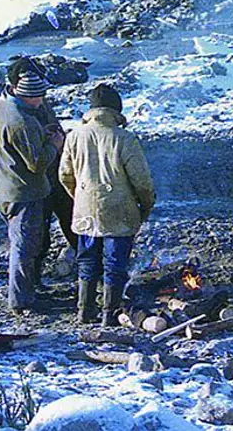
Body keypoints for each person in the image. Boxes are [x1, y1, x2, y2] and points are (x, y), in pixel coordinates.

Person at [59, 83, 156, 326]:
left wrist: (79, 199)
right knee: (115, 263)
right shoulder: (124, 138)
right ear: (116, 111)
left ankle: (84, 311)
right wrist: (144, 207)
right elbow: (142, 181)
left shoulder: (74, 136)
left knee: (87, 261)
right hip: (118, 212)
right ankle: (109, 314)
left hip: (85, 211)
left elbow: (64, 175)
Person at [0, 63, 62, 314]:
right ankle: (21, 301)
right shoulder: (22, 122)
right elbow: (37, 164)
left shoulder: (2, 108)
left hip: (5, 188)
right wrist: (54, 144)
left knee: (23, 244)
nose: (41, 102)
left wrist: (41, 133)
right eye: (37, 97)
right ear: (27, 96)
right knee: (24, 248)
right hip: (25, 192)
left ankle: (28, 291)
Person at [7, 59, 77, 280]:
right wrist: (53, 144)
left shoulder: (37, 101)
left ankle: (85, 271)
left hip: (54, 175)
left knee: (72, 224)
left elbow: (49, 124)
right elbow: (33, 158)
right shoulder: (16, 114)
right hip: (39, 181)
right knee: (39, 238)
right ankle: (33, 283)